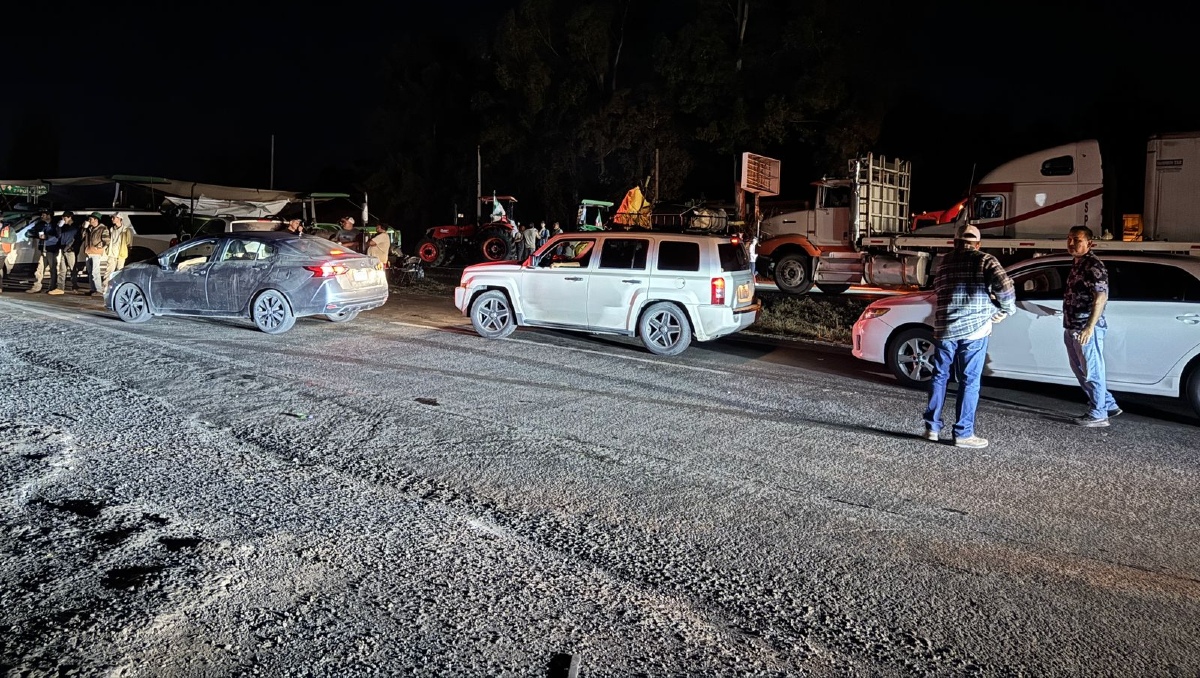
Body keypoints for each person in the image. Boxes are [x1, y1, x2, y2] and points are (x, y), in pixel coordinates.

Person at [922, 224, 1015, 449]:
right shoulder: (985, 260)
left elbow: (938, 289)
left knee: (939, 376)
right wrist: (1004, 310)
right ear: (978, 244)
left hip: (945, 329)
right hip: (975, 330)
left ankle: (931, 428)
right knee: (969, 380)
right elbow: (1004, 287)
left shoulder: (944, 263)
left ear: (954, 242)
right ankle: (963, 433)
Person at [1063, 225, 1120, 426]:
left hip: (1085, 328)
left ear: (1090, 243)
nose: (1071, 243)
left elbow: (1100, 299)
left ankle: (1099, 414)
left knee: (1092, 370)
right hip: (1072, 326)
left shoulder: (1093, 266)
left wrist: (1089, 327)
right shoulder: (1078, 263)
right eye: (1069, 239)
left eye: (1077, 240)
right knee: (1079, 368)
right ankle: (1107, 403)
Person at [78, 212, 110, 296]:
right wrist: (84, 228)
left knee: (95, 272)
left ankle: (98, 290)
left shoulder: (103, 228)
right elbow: (81, 237)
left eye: (90, 219)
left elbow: (106, 241)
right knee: (90, 272)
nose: (89, 220)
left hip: (96, 253)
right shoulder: (89, 228)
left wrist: (98, 247)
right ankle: (93, 289)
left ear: (96, 219)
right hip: (88, 252)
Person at [25, 209, 55, 293]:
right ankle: (37, 286)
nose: (42, 216)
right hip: (43, 249)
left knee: (53, 269)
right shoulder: (41, 225)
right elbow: (33, 232)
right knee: (40, 269)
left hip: (52, 249)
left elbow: (58, 236)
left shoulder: (54, 225)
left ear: (49, 216)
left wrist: (47, 237)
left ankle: (53, 287)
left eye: (44, 215)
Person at [106, 213, 133, 288]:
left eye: (114, 218)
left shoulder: (126, 230)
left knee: (119, 272)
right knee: (109, 272)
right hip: (112, 254)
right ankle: (106, 289)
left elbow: (129, 243)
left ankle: (117, 288)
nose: (112, 219)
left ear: (119, 218)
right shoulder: (112, 229)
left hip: (121, 254)